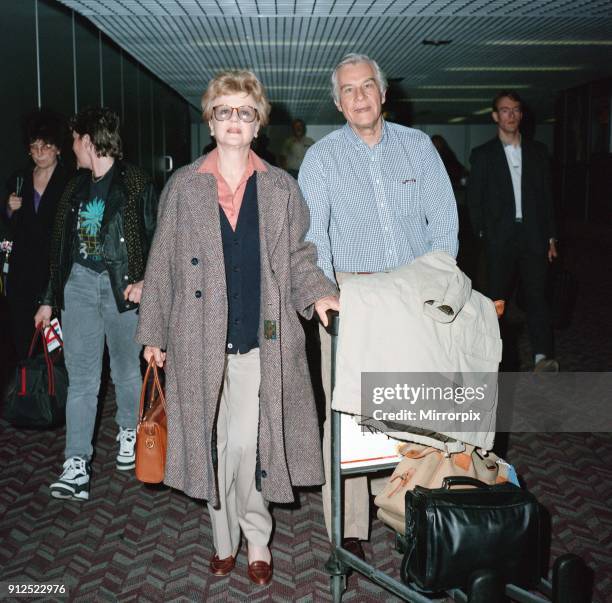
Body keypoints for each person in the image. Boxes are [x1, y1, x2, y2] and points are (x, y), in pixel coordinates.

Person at [135, 70, 339, 586]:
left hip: (258, 342)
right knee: (213, 445)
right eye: (224, 110)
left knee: (247, 446)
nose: (233, 120)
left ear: (257, 125)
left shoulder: (280, 189)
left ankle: (256, 537)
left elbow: (298, 257)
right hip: (194, 342)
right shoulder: (183, 186)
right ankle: (224, 540)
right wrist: (153, 334)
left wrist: (317, 292)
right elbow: (161, 265)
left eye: (244, 112)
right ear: (210, 120)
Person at [298, 53, 458, 557]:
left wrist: (438, 284)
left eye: (368, 86)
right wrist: (327, 294)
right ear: (338, 102)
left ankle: (415, 515)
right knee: (348, 413)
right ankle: (348, 531)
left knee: (416, 410)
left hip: (414, 292)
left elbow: (445, 222)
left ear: (383, 94)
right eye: (348, 90)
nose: (360, 97)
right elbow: (311, 236)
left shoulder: (418, 148)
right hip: (351, 295)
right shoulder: (321, 158)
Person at [34, 107, 158, 501]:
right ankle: (76, 465)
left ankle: (127, 430)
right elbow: (59, 248)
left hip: (122, 288)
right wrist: (48, 299)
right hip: (80, 287)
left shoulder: (137, 182)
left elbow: (157, 237)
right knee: (83, 378)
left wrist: (146, 281)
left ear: (89, 142)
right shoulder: (74, 187)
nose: (73, 149)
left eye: (75, 141)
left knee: (125, 369)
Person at [466, 90, 558, 372]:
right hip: (499, 239)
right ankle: (492, 357)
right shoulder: (483, 155)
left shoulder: (538, 152)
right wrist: (483, 234)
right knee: (496, 300)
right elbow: (474, 200)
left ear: (521, 114)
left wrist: (551, 237)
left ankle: (542, 356)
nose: (511, 115)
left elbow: (548, 198)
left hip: (533, 236)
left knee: (537, 297)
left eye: (516, 110)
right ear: (495, 116)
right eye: (505, 110)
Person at [4, 110, 70, 360]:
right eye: (34, 147)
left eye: (46, 146)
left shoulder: (70, 182)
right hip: (23, 274)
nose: (40, 152)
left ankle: (53, 392)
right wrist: (9, 208)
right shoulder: (19, 180)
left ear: (58, 149)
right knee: (23, 338)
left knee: (55, 344)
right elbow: (7, 223)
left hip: (53, 273)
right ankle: (28, 392)